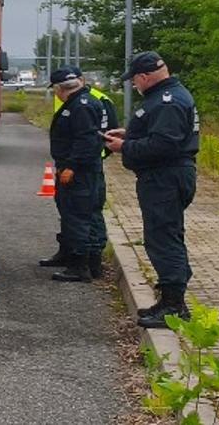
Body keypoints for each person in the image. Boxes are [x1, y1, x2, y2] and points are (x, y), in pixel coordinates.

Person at [104, 51, 201, 328]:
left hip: (165, 177)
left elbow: (164, 145)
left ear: (145, 76)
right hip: (165, 176)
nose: (134, 85)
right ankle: (170, 298)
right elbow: (160, 135)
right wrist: (130, 134)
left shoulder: (168, 101)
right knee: (164, 235)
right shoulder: (167, 96)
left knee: (163, 238)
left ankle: (174, 306)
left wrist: (126, 147)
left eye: (134, 80)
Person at [40, 67, 109, 282]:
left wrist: (71, 166)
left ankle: (80, 266)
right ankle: (82, 259)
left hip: (80, 172)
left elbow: (86, 140)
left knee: (78, 215)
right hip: (83, 169)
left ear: (60, 89)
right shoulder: (81, 103)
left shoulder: (82, 106)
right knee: (78, 213)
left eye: (55, 90)